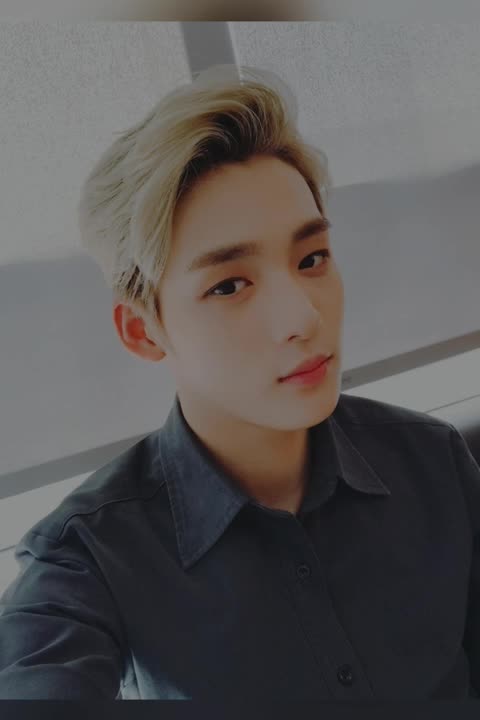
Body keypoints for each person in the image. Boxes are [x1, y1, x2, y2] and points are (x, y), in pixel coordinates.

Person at [0, 63, 479, 700]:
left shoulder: (434, 461)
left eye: (312, 259)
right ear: (144, 331)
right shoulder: (85, 560)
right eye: (229, 286)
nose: (303, 318)